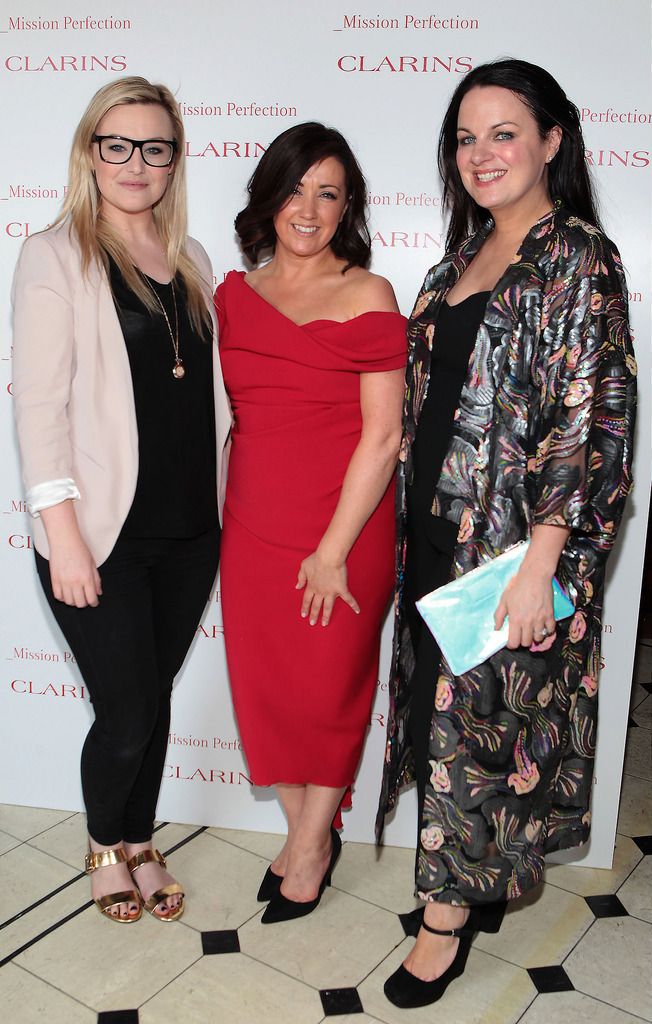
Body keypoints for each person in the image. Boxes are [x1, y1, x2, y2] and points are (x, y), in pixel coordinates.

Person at [375, 58, 637, 1008]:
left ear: (552, 141)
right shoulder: (459, 258)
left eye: (503, 133)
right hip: (434, 533)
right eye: (464, 137)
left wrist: (545, 563)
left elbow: (592, 418)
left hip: (509, 549)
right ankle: (469, 882)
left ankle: (444, 923)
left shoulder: (578, 257)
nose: (480, 154)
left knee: (477, 729)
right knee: (453, 726)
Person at [12, 77, 231, 923]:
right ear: (89, 152)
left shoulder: (194, 259)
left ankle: (141, 839)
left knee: (157, 692)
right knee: (128, 706)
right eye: (118, 145)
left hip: (190, 529)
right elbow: (37, 407)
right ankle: (106, 844)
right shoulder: (55, 253)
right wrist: (62, 536)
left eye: (156, 147)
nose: (136, 164)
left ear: (175, 160)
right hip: (99, 532)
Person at [216, 122, 406, 923]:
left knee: (329, 692)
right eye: (296, 188)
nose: (309, 207)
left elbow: (385, 434)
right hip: (252, 525)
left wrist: (331, 552)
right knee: (268, 693)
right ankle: (308, 837)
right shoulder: (232, 294)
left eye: (329, 193)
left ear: (347, 209)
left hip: (345, 530)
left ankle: (308, 847)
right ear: (270, 194)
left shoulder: (368, 294)